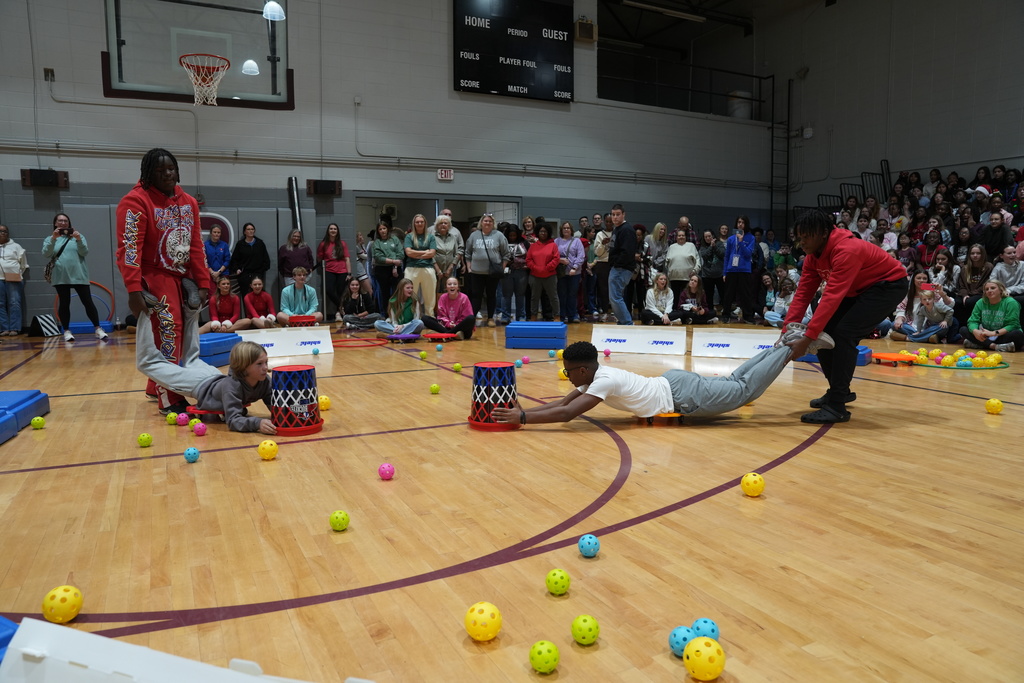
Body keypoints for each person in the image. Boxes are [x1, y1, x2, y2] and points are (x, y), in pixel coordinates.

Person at [490, 335, 832, 425]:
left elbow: (567, 415)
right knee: (736, 381)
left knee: (743, 389)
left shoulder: (603, 381)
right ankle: (783, 344)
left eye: (568, 370)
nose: (567, 376)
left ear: (583, 370)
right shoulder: (594, 378)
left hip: (683, 397)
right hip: (676, 385)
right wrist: (525, 414)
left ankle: (792, 347)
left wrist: (522, 418)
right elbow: (562, 404)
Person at [782, 209, 909, 424]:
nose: (801, 243)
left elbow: (831, 297)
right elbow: (803, 294)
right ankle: (839, 390)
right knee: (824, 333)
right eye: (799, 238)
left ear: (823, 233)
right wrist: (787, 331)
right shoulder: (813, 257)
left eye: (806, 237)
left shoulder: (846, 249)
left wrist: (807, 339)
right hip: (859, 289)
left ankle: (837, 406)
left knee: (843, 335)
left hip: (888, 285)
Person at [115, 149, 210, 412]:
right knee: (169, 329)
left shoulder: (188, 201)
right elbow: (129, 249)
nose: (167, 173)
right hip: (152, 273)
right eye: (159, 170)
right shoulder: (135, 202)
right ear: (147, 173)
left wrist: (203, 282)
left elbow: (196, 246)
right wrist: (134, 289)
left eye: (171, 168)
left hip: (181, 275)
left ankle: (154, 385)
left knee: (181, 337)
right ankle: (170, 397)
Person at [135, 305, 275, 433]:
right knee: (147, 363)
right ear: (244, 367)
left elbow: (275, 408)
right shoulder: (232, 386)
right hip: (197, 383)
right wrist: (257, 423)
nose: (265, 368)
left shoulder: (264, 381)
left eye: (266, 362)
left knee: (191, 357)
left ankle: (192, 309)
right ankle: (144, 311)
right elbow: (233, 421)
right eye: (259, 364)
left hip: (213, 375)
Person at [44, 213, 109, 343]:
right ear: (55, 223)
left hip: (79, 275)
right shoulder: (50, 238)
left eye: (65, 221)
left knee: (88, 301)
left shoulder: (78, 237)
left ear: (69, 223)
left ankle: (98, 328)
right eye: (60, 221)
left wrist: (79, 240)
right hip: (61, 276)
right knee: (64, 303)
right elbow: (46, 253)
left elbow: (84, 252)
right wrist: (53, 239)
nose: (63, 223)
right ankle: (67, 331)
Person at [463, 213, 508, 326]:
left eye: (490, 221)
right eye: (485, 221)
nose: (487, 223)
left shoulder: (499, 235)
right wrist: (469, 267)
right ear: (481, 223)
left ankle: (490, 318)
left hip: (492, 273)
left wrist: (501, 269)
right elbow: (467, 253)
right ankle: (472, 318)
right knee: (476, 295)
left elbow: (506, 254)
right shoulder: (474, 235)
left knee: (491, 295)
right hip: (476, 272)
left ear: (493, 223)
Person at [960, 280, 1023, 353]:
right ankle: (995, 346)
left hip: (1002, 334)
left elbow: (1013, 325)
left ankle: (981, 345)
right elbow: (973, 321)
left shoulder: (1011, 303)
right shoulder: (981, 302)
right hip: (985, 335)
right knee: (963, 330)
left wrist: (993, 333)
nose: (989, 291)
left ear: (1000, 290)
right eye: (987, 289)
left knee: (1017, 334)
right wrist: (975, 331)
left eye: (993, 288)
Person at [721, 216, 756, 324]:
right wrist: (724, 272)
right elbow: (727, 256)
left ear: (746, 224)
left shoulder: (751, 238)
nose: (740, 224)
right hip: (731, 270)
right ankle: (726, 315)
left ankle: (747, 316)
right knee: (728, 294)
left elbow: (748, 254)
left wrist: (741, 241)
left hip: (744, 270)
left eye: (743, 222)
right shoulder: (731, 239)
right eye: (739, 222)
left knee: (745, 294)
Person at [607, 204, 636, 325]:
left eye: (617, 214)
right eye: (613, 214)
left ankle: (627, 323)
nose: (615, 217)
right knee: (615, 297)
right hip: (617, 267)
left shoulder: (626, 229)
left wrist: (616, 263)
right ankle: (623, 321)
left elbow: (627, 252)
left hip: (621, 268)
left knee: (615, 297)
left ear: (623, 214)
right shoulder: (617, 229)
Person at [404, 213, 437, 317]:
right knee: (410, 295)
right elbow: (408, 253)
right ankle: (411, 317)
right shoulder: (409, 236)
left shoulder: (431, 237)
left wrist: (416, 253)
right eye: (417, 222)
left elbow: (432, 253)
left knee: (430, 296)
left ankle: (430, 318)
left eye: (421, 222)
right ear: (414, 223)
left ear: (425, 223)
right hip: (411, 268)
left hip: (428, 268)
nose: (419, 224)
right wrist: (424, 252)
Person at [317, 223, 351, 322]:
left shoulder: (342, 243)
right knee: (329, 290)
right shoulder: (323, 244)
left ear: (337, 231)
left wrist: (349, 273)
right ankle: (341, 307)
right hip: (329, 270)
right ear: (328, 231)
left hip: (342, 271)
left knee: (341, 292)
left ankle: (338, 313)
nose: (333, 230)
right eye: (331, 229)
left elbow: (347, 259)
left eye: (335, 229)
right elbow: (319, 258)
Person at [526, 222, 559, 321]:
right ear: (537, 232)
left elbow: (556, 259)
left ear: (548, 232)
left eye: (545, 231)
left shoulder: (553, 245)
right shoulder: (533, 246)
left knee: (553, 297)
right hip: (535, 276)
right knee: (534, 298)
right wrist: (535, 268)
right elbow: (528, 260)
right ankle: (533, 316)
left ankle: (557, 316)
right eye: (541, 231)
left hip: (550, 275)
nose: (543, 233)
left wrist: (547, 268)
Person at [229, 222, 271, 299]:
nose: (250, 231)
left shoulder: (260, 243)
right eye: (248, 229)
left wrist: (260, 271)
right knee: (246, 298)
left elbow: (266, 260)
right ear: (244, 232)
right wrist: (237, 269)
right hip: (244, 275)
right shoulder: (240, 244)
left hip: (257, 275)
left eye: (252, 229)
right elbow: (234, 260)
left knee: (259, 298)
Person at [555, 221, 585, 324]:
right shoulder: (556, 241)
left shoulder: (577, 241)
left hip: (574, 273)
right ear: (561, 230)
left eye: (568, 228)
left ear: (571, 230)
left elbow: (581, 256)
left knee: (572, 295)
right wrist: (560, 260)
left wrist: (575, 267)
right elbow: (553, 256)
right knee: (561, 295)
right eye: (564, 228)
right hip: (561, 273)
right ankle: (562, 316)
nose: (566, 230)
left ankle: (573, 315)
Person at [0, 224, 27, 336]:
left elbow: (23, 264)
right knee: (0, 304)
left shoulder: (16, 246)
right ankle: (4, 328)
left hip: (13, 278)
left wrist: (17, 274)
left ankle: (15, 328)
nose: (3, 233)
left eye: (5, 231)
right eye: (0, 231)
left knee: (14, 303)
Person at [370, 221, 404, 311]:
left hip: (396, 269)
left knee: (396, 292)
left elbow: (400, 253)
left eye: (384, 228)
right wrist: (393, 261)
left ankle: (397, 313)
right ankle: (386, 314)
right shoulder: (376, 242)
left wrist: (395, 267)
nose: (382, 231)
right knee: (384, 294)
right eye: (380, 229)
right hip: (382, 270)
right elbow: (378, 257)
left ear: (387, 229)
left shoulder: (394, 239)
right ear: (378, 231)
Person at [665, 227, 702, 306]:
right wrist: (668, 272)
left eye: (683, 235)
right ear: (676, 237)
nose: (681, 237)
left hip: (687, 278)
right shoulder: (671, 247)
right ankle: (675, 313)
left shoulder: (691, 246)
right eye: (679, 235)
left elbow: (698, 260)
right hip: (674, 278)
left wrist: (695, 271)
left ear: (686, 237)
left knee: (686, 299)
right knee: (675, 299)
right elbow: (666, 262)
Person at [502, 224, 530, 322]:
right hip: (507, 272)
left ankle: (521, 316)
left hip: (521, 271)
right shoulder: (503, 243)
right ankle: (505, 316)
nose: (512, 237)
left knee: (520, 295)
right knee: (506, 295)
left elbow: (529, 256)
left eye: (514, 235)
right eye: (510, 235)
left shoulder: (524, 243)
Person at [432, 214, 464, 295]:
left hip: (450, 270)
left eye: (445, 223)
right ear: (437, 225)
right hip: (435, 270)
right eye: (441, 223)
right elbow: (430, 254)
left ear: (449, 225)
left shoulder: (452, 237)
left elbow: (457, 253)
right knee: (435, 292)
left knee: (449, 291)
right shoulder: (431, 237)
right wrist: (438, 270)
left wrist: (451, 267)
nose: (443, 225)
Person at [699, 229, 726, 316]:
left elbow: (722, 254)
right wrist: (711, 246)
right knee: (708, 295)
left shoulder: (719, 244)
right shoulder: (702, 246)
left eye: (709, 236)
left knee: (723, 294)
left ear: (713, 236)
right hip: (707, 275)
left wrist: (714, 246)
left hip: (719, 274)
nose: (708, 238)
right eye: (706, 237)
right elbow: (705, 256)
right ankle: (710, 312)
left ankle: (726, 312)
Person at [990, 245, 1024, 309]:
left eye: (1014, 252)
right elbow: (992, 283)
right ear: (1001, 256)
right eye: (1009, 253)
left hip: (1019, 293)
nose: (1013, 255)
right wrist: (1002, 292)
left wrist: (1009, 290)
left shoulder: (1022, 265)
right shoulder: (998, 268)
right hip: (1002, 294)